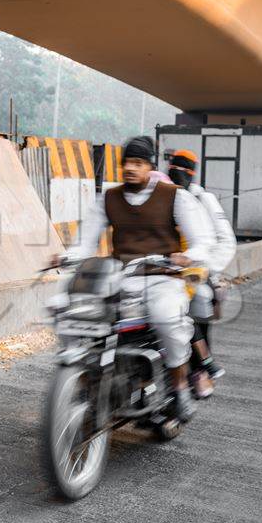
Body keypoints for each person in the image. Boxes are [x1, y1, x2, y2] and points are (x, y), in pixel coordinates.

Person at [63, 136, 214, 421]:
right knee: (72, 309)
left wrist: (188, 256)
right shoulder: (108, 197)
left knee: (167, 318)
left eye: (138, 163)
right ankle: (82, 377)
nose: (130, 168)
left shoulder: (174, 196)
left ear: (150, 166)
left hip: (162, 278)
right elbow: (85, 242)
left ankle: (179, 386)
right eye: (126, 163)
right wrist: (67, 257)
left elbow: (203, 241)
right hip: (120, 277)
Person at [167, 150, 236, 399]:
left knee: (198, 298)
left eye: (183, 172)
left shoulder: (203, 199)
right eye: (173, 169)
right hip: (163, 266)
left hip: (198, 267)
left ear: (192, 174)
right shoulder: (161, 194)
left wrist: (207, 267)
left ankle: (202, 367)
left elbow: (226, 240)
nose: (177, 174)